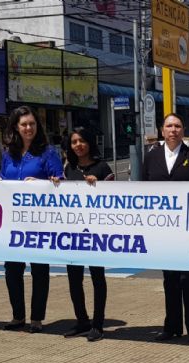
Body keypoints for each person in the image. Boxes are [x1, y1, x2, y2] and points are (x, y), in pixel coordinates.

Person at [144, 113, 189, 345]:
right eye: (169, 126)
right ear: (162, 130)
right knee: (169, 279)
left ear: (183, 130)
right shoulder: (151, 157)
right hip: (163, 230)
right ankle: (171, 327)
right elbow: (142, 191)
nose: (173, 130)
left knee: (188, 279)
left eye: (178, 126)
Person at [0, 106, 63, 333]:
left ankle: (37, 318)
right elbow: (1, 179)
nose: (29, 128)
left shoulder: (48, 153)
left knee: (39, 269)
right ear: (16, 127)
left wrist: (41, 184)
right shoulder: (8, 154)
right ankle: (18, 316)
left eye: (32, 124)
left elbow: (60, 183)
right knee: (12, 269)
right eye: (24, 124)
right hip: (13, 221)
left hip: (39, 221)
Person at [61, 126, 113, 342]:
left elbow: (116, 199)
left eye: (82, 141)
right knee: (74, 279)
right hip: (73, 233)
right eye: (74, 142)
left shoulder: (102, 167)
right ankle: (81, 320)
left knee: (97, 278)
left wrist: (99, 186)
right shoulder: (69, 168)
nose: (78, 145)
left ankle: (98, 324)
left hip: (96, 233)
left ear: (90, 142)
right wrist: (55, 184)